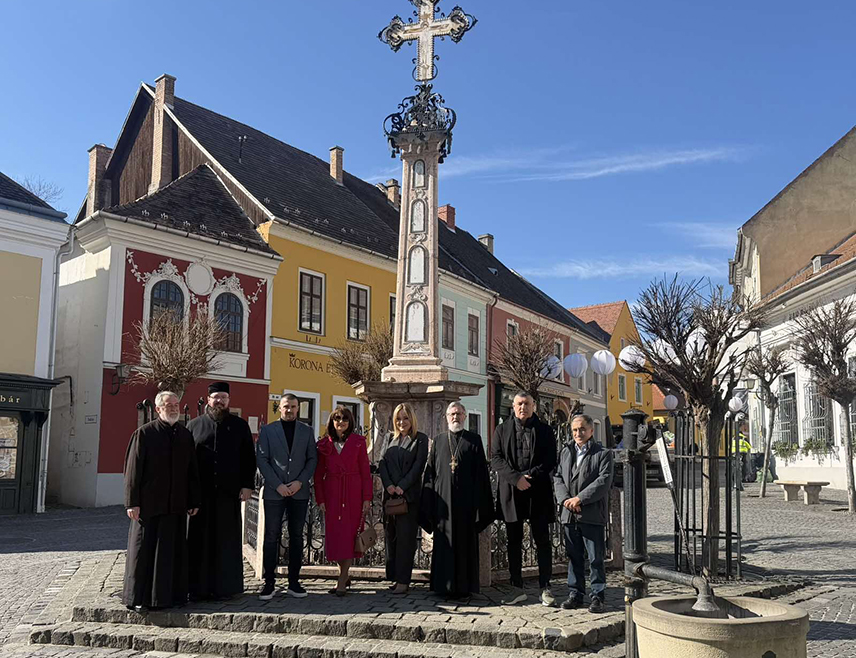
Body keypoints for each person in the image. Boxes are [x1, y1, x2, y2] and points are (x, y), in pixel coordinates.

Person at [122, 391, 201, 612]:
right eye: (169, 405)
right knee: (144, 552)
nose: (174, 408)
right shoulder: (144, 434)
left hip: (176, 505)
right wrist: (132, 502)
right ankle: (139, 598)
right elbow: (132, 471)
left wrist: (194, 499)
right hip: (149, 506)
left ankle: (171, 597)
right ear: (158, 409)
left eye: (176, 404)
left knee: (171, 552)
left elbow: (192, 471)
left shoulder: (185, 435)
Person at [186, 382, 256, 601]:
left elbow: (248, 458)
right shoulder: (194, 426)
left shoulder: (240, 426)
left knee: (227, 542)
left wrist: (247, 485)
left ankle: (227, 588)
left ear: (229, 401)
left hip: (229, 495)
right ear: (208, 400)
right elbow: (187, 463)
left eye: (224, 397)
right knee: (199, 542)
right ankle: (198, 588)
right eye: (216, 397)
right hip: (201, 496)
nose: (220, 401)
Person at [420, 402, 494, 602]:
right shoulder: (438, 441)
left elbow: (482, 476)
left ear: (465, 416)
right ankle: (442, 586)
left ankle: (464, 587)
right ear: (446, 417)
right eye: (452, 414)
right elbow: (430, 474)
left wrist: (481, 506)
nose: (455, 417)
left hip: (466, 506)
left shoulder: (474, 440)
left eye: (459, 414)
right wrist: (429, 504)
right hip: (443, 504)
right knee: (444, 545)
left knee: (464, 545)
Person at [491, 391, 557, 607]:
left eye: (527, 403)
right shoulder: (502, 429)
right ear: (513, 406)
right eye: (519, 403)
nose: (523, 407)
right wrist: (516, 478)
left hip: (538, 491)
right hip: (512, 491)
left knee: (542, 541)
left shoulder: (545, 430)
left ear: (534, 406)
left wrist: (531, 476)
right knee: (513, 541)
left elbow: (550, 459)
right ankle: (516, 587)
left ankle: (545, 586)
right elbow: (496, 459)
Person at [256, 394, 318, 600]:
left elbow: (312, 459)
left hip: (299, 492)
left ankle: (294, 581)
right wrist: (278, 485)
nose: (289, 410)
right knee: (271, 536)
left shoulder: (307, 431)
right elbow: (262, 460)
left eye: (293, 406)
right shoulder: (267, 430)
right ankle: (269, 582)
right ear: (279, 408)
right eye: (285, 406)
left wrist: (301, 481)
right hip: (276, 492)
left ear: (298, 408)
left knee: (297, 536)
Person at [553, 414, 614, 614]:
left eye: (581, 429)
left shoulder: (603, 453)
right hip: (569, 514)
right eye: (574, 430)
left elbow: (603, 481)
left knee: (596, 558)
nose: (578, 433)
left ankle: (597, 596)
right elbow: (558, 477)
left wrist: (579, 499)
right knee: (574, 557)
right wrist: (565, 500)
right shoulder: (566, 451)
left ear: (590, 431)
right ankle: (575, 594)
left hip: (591, 513)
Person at [315, 406, 373, 596]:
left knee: (349, 536)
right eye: (337, 419)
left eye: (345, 419)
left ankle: (341, 580)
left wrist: (367, 498)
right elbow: (318, 475)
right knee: (336, 536)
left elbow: (366, 471)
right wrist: (321, 498)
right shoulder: (325, 444)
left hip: (353, 494)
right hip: (332, 494)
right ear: (332, 422)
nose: (341, 422)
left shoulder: (358, 442)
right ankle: (344, 575)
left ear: (350, 423)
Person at [378, 403, 429, 595]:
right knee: (391, 539)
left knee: (406, 540)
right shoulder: (388, 438)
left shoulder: (420, 439)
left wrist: (401, 486)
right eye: (398, 418)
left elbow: (418, 466)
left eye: (405, 418)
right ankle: (393, 576)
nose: (402, 422)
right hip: (390, 496)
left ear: (412, 419)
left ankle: (403, 581)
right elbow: (381, 462)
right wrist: (389, 485)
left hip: (408, 498)